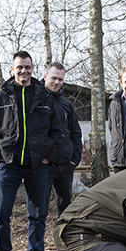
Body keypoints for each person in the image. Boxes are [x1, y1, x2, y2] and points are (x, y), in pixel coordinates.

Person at [0, 50, 67, 251]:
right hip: (8, 164)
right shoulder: (0, 97)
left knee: (38, 214)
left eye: (27, 67)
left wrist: (48, 156)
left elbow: (58, 131)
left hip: (38, 165)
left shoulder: (44, 97)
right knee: (1, 213)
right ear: (13, 68)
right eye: (19, 67)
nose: (23, 71)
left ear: (33, 68)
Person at [44, 62, 82, 215]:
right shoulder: (36, 100)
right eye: (54, 78)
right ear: (45, 76)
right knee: (40, 209)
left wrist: (74, 160)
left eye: (60, 79)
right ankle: (38, 240)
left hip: (65, 165)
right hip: (44, 166)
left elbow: (75, 132)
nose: (57, 82)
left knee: (66, 208)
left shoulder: (66, 104)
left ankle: (64, 238)